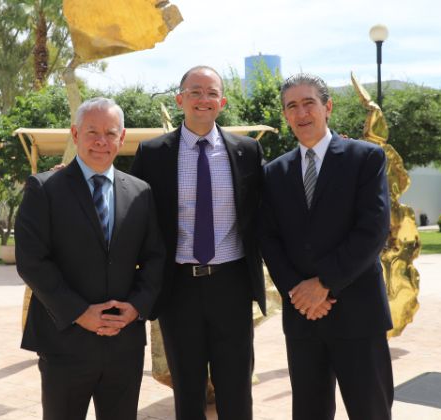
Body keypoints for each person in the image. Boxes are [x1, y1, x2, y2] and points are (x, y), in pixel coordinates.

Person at [15, 97, 165, 420]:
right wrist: (80, 313)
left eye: (110, 133)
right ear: (75, 133)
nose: (101, 141)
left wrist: (136, 307)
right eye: (91, 132)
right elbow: (31, 261)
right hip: (65, 343)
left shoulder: (141, 192)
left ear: (122, 138)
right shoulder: (43, 189)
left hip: (124, 346)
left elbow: (155, 257)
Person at [130, 65, 266, 420]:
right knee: (187, 391)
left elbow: (265, 216)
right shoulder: (153, 153)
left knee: (236, 388)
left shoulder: (248, 151)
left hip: (232, 285)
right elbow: (135, 215)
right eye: (195, 92)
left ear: (221, 101)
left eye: (210, 93)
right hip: (178, 290)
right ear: (180, 99)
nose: (203, 99)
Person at [259, 73, 394, 420]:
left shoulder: (365, 159)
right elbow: (269, 239)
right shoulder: (273, 173)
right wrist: (298, 292)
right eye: (292, 106)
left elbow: (372, 231)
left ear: (327, 107)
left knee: (371, 411)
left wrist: (323, 285)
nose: (301, 113)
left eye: (309, 103)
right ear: (286, 115)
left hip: (358, 313)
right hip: (304, 317)